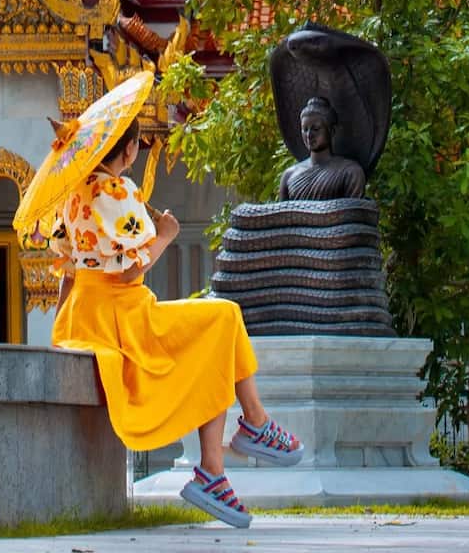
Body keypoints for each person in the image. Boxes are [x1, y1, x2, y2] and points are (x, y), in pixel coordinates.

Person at [50, 118, 304, 528]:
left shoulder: (72, 194)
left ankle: (231, 452)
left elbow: (68, 273)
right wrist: (166, 234)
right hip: (123, 316)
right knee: (223, 316)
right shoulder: (115, 191)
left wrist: (59, 333)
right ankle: (240, 439)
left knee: (218, 325)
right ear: (130, 150)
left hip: (84, 315)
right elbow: (131, 273)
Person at [278, 96, 366, 201]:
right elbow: (282, 215)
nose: (309, 135)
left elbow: (355, 214)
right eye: (305, 129)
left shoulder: (350, 172)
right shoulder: (289, 175)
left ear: (331, 131)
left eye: (315, 129)